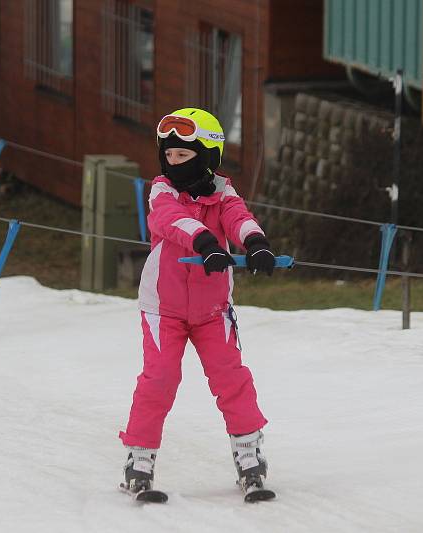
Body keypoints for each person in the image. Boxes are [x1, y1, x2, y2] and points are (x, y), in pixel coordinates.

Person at [119, 108, 277, 500]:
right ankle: (139, 460)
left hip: (211, 311)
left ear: (207, 157)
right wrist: (206, 242)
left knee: (231, 378)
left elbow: (238, 217)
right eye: (168, 156)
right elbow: (171, 221)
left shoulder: (223, 192)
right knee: (160, 380)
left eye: (183, 156)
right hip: (163, 309)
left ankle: (248, 455)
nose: (173, 164)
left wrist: (256, 244)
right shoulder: (161, 191)